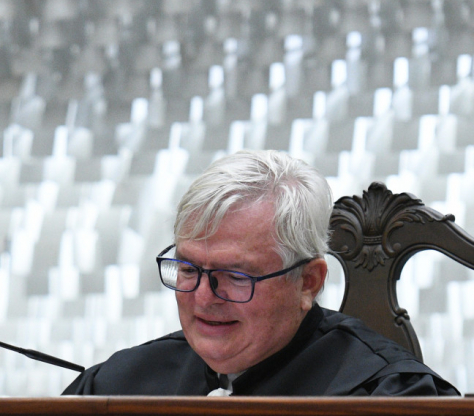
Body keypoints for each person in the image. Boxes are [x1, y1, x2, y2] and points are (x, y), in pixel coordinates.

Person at [64, 150, 459, 396]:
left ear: (308, 282)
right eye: (188, 269)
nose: (203, 298)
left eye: (236, 276)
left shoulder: (387, 398)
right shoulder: (117, 388)